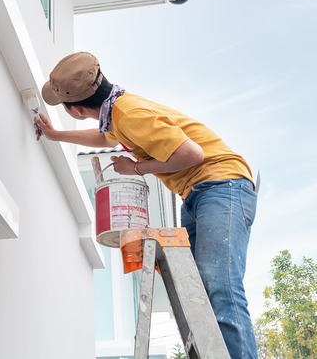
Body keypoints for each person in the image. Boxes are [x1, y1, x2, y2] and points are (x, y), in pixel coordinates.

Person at [35, 51, 259, 359]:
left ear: (75, 109)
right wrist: (56, 135)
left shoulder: (129, 114)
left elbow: (192, 154)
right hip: (198, 193)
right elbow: (104, 139)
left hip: (222, 185)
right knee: (201, 295)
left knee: (220, 284)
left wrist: (136, 168)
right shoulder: (117, 111)